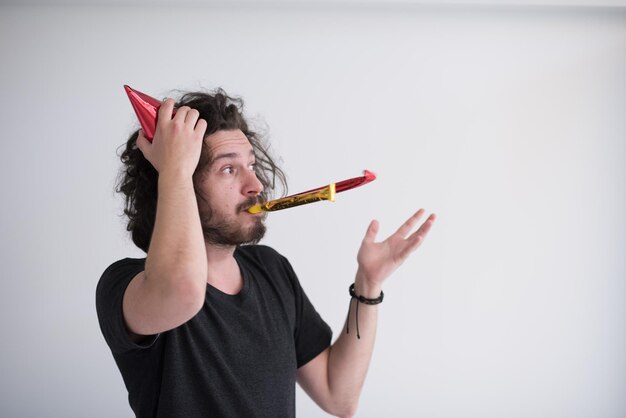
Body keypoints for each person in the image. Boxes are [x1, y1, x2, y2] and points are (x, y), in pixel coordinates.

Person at [96, 89, 436, 418]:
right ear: (175, 180)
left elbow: (339, 396)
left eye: (252, 165)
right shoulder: (126, 284)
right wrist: (174, 168)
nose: (256, 185)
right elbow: (183, 291)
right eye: (228, 169)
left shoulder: (271, 269)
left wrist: (368, 283)